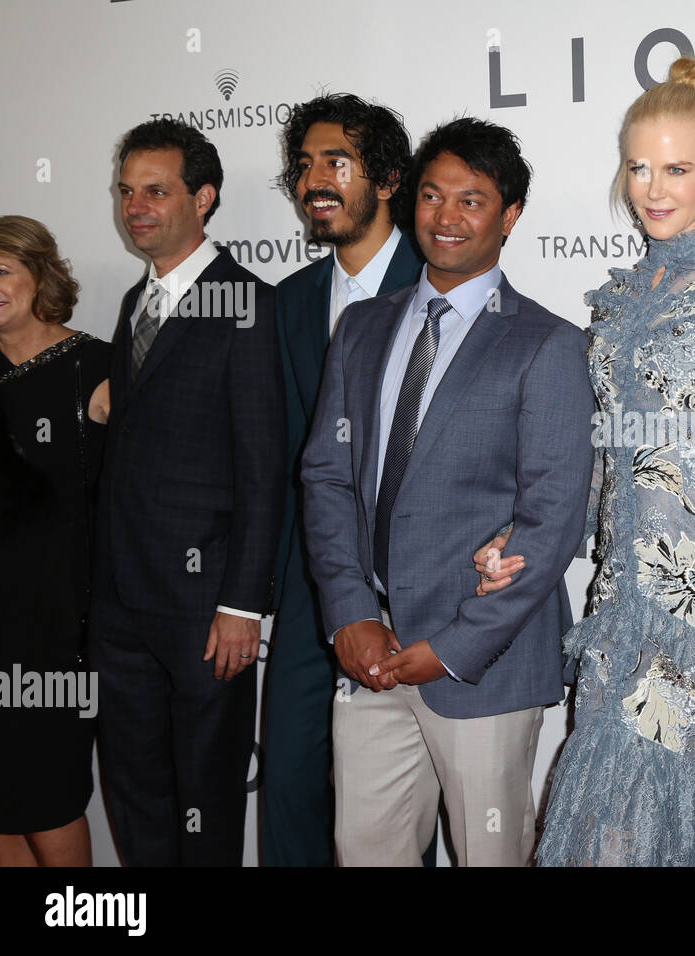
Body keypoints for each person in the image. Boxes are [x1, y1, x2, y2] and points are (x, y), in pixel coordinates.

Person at [482, 57, 695, 866]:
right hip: (621, 610)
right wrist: (525, 536)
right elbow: (605, 458)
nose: (654, 188)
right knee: (607, 840)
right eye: (639, 168)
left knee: (687, 839)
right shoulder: (621, 298)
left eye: (678, 168)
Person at [300, 116, 594, 866]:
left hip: (481, 665)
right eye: (432, 196)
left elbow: (552, 518)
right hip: (371, 652)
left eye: (472, 200)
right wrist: (348, 616)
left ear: (510, 215)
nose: (446, 217)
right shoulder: (362, 329)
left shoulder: (547, 344)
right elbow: (328, 478)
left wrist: (454, 647)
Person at [91, 119, 285, 866]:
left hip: (206, 613)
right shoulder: (136, 303)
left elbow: (264, 466)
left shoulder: (246, 303)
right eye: (127, 191)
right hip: (120, 606)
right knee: (136, 802)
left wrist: (242, 603)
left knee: (204, 803)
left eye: (157, 190)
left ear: (203, 198)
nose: (136, 206)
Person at [264, 92, 430, 868]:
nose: (315, 182)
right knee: (292, 788)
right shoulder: (288, 302)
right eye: (304, 167)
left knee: (404, 806)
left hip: (419, 586)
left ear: (390, 178)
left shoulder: (443, 285)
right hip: (308, 585)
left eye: (338, 163)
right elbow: (275, 456)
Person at [0, 216, 108, 867]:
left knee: (48, 794)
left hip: (59, 622)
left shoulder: (93, 366)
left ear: (40, 275)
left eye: (1, 269)